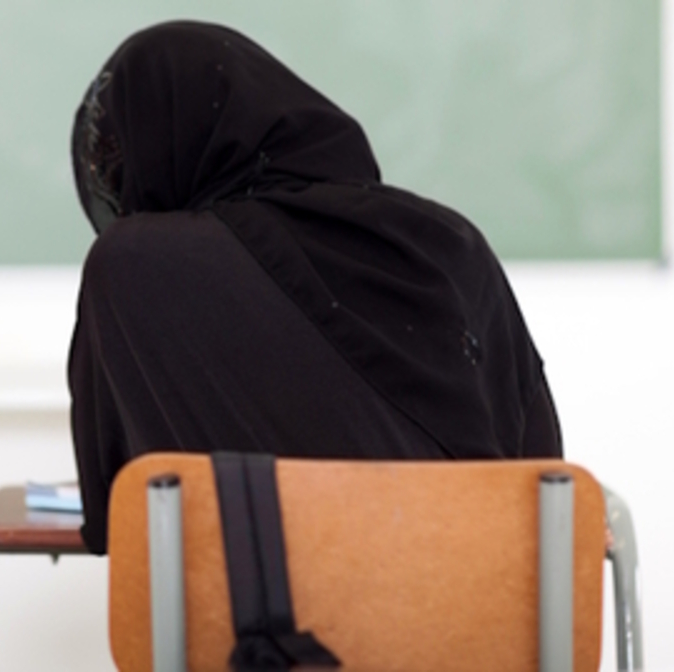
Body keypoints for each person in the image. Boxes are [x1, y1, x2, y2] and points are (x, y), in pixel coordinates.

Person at [68, 21, 562, 555]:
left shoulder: (134, 267)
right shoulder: (449, 242)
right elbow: (543, 479)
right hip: (475, 623)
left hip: (268, 638)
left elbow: (112, 513)